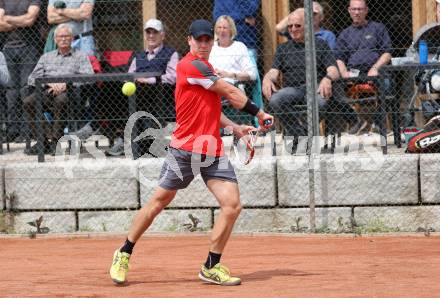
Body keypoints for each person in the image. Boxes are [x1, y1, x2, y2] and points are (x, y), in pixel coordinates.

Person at [109, 19, 273, 286]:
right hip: (184, 150)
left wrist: (234, 128)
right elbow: (230, 91)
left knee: (231, 206)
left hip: (212, 151)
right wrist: (260, 113)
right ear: (189, 41)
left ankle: (211, 266)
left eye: (208, 40)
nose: (204, 44)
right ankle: (124, 252)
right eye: (200, 40)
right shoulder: (190, 65)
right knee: (159, 202)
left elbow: (210, 109)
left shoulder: (205, 69)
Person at [262, 8, 356, 152]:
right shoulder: (283, 48)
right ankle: (301, 134)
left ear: (307, 26)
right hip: (293, 90)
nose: (293, 29)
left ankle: (301, 136)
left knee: (321, 102)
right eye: (290, 26)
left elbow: (334, 70)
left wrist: (327, 78)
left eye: (297, 25)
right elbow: (273, 73)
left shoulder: (320, 45)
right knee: (276, 99)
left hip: (316, 88)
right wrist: (267, 79)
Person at [104, 18, 179, 157]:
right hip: (137, 92)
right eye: (148, 32)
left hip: (159, 93)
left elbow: (172, 77)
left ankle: (123, 139)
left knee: (132, 95)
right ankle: (119, 136)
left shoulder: (171, 53)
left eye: (155, 32)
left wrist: (148, 80)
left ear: (162, 35)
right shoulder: (138, 56)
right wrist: (134, 80)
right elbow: (129, 75)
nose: (151, 36)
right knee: (110, 88)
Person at [23, 24, 94, 155]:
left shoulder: (81, 56)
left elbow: (89, 77)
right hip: (47, 91)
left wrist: (67, 84)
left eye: (66, 36)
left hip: (71, 93)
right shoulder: (46, 57)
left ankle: (56, 141)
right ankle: (43, 141)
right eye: (60, 36)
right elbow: (32, 78)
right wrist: (49, 83)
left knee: (61, 101)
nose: (63, 39)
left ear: (72, 38)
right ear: (55, 39)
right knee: (28, 102)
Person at [335, 0, 392, 133]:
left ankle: (378, 122)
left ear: (366, 10)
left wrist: (376, 68)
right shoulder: (345, 34)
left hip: (375, 71)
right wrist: (344, 74)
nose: (357, 12)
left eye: (360, 9)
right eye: (354, 9)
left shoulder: (378, 28)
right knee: (335, 86)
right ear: (349, 10)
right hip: (353, 73)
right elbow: (338, 58)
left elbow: (387, 53)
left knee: (388, 83)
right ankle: (355, 119)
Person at [0, 0, 41, 143]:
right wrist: (20, 20)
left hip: (29, 47)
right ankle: (12, 130)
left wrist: (8, 19)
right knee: (11, 91)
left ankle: (26, 131)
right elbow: (0, 24)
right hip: (8, 48)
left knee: (26, 89)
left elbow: (30, 20)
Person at [209, 15, 258, 124]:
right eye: (219, 27)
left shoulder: (239, 47)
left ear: (231, 30)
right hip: (212, 83)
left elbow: (252, 74)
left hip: (232, 84)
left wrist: (229, 74)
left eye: (225, 28)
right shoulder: (211, 47)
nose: (222, 31)